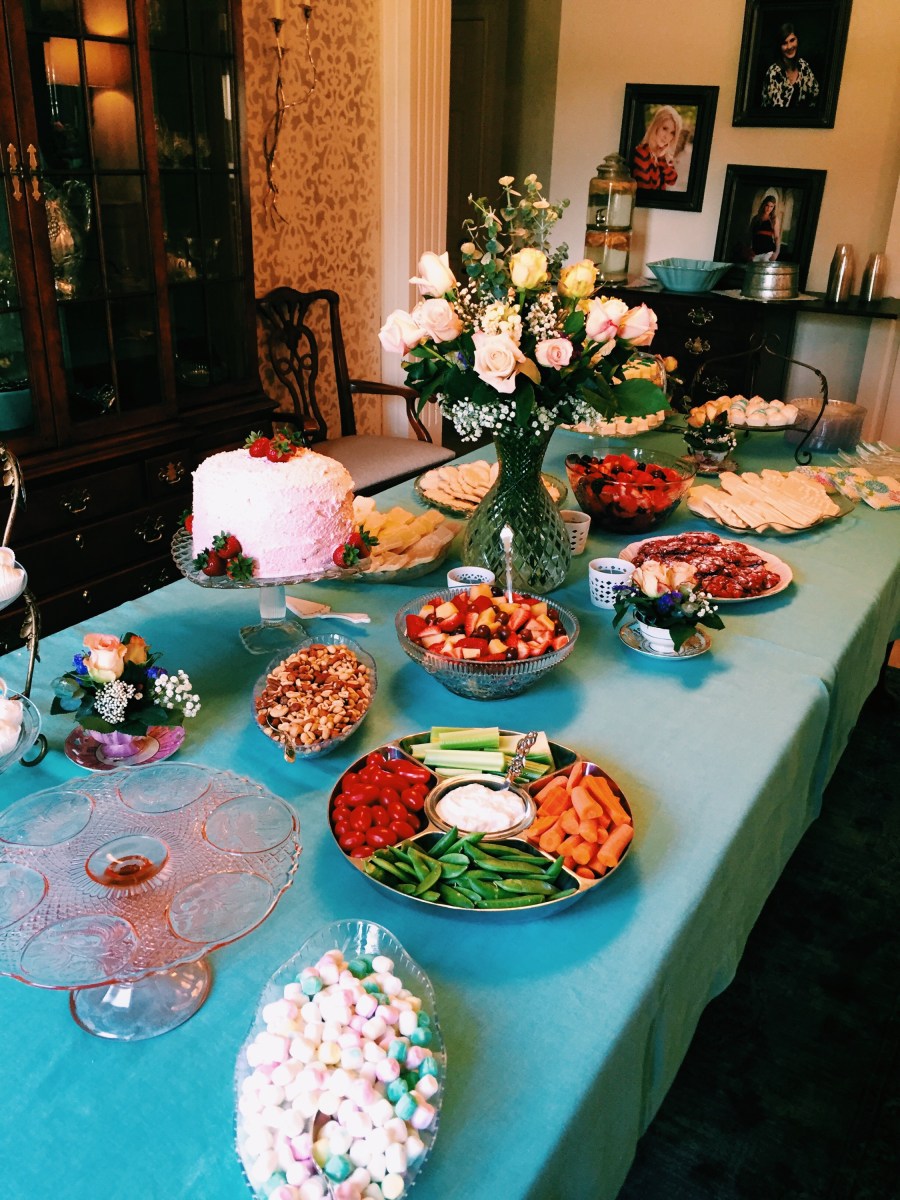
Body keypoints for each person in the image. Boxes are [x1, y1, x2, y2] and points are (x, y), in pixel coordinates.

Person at [761, 22, 819, 108]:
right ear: (779, 46)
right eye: (784, 43)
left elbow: (815, 95)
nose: (789, 46)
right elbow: (775, 110)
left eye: (792, 40)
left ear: (797, 40)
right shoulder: (773, 73)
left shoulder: (803, 66)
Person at [632, 105, 682, 191]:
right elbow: (645, 191)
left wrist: (662, 159)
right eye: (665, 128)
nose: (667, 137)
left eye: (672, 133)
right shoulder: (642, 153)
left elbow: (672, 180)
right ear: (656, 126)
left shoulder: (664, 154)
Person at [749, 194, 781, 261]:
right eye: (767, 205)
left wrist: (776, 253)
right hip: (755, 252)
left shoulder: (774, 219)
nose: (769, 208)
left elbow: (777, 237)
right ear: (764, 205)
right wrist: (749, 250)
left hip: (768, 253)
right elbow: (750, 235)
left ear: (774, 207)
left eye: (771, 206)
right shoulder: (756, 218)